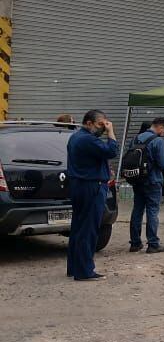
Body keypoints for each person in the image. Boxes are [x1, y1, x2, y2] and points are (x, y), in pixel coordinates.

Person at [66, 109, 117, 282]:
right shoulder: (88, 139)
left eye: (105, 124)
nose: (103, 127)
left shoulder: (75, 137)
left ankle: (74, 267)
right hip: (91, 186)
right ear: (89, 123)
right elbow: (112, 151)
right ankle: (84, 271)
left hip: (80, 185)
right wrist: (111, 132)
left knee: (78, 228)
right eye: (100, 124)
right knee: (88, 229)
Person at [128, 117, 164, 254]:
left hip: (137, 180)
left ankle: (135, 243)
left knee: (137, 210)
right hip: (153, 181)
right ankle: (153, 244)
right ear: (160, 127)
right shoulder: (158, 141)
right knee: (152, 211)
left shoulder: (135, 139)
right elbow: (163, 164)